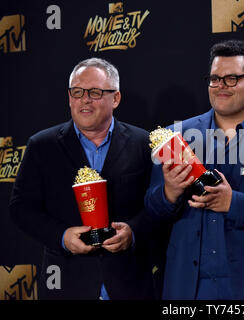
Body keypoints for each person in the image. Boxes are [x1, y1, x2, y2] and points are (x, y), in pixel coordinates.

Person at [144, 39, 244, 299]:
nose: (220, 87)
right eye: (215, 79)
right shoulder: (176, 137)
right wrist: (169, 192)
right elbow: (153, 210)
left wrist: (233, 203)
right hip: (188, 288)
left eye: (231, 79)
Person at [9, 57, 158, 299]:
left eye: (95, 92)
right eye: (77, 92)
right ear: (69, 98)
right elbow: (21, 208)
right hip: (67, 284)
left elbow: (158, 205)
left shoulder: (143, 143)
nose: (84, 99)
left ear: (116, 98)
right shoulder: (42, 145)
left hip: (129, 284)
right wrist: (62, 237)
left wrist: (133, 232)